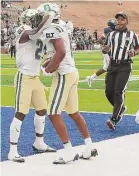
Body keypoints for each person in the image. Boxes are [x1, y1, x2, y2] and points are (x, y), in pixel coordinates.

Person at [37, 3, 97, 164]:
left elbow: (61, 52)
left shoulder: (52, 28)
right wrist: (49, 62)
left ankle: (69, 151)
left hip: (63, 74)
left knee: (53, 113)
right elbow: (60, 51)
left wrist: (49, 68)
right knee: (73, 113)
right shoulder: (61, 26)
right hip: (72, 72)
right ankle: (89, 146)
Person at [8, 9, 56, 163]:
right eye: (36, 18)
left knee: (42, 110)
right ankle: (12, 150)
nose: (37, 20)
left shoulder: (39, 32)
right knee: (21, 113)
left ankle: (39, 142)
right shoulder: (24, 29)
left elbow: (47, 46)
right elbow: (35, 33)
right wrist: (48, 19)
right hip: (24, 76)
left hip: (36, 77)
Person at [102, 11, 139, 130]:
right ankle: (121, 108)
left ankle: (114, 118)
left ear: (127, 22)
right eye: (117, 19)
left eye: (122, 19)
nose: (119, 21)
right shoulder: (111, 35)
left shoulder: (132, 34)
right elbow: (105, 49)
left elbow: (138, 48)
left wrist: (133, 53)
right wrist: (105, 49)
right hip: (112, 65)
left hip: (124, 66)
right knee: (109, 92)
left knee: (119, 92)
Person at [86, 18, 116, 87]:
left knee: (105, 68)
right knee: (111, 67)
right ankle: (111, 82)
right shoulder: (108, 30)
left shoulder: (113, 30)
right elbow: (100, 40)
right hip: (107, 51)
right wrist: (105, 45)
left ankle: (91, 78)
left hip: (110, 51)